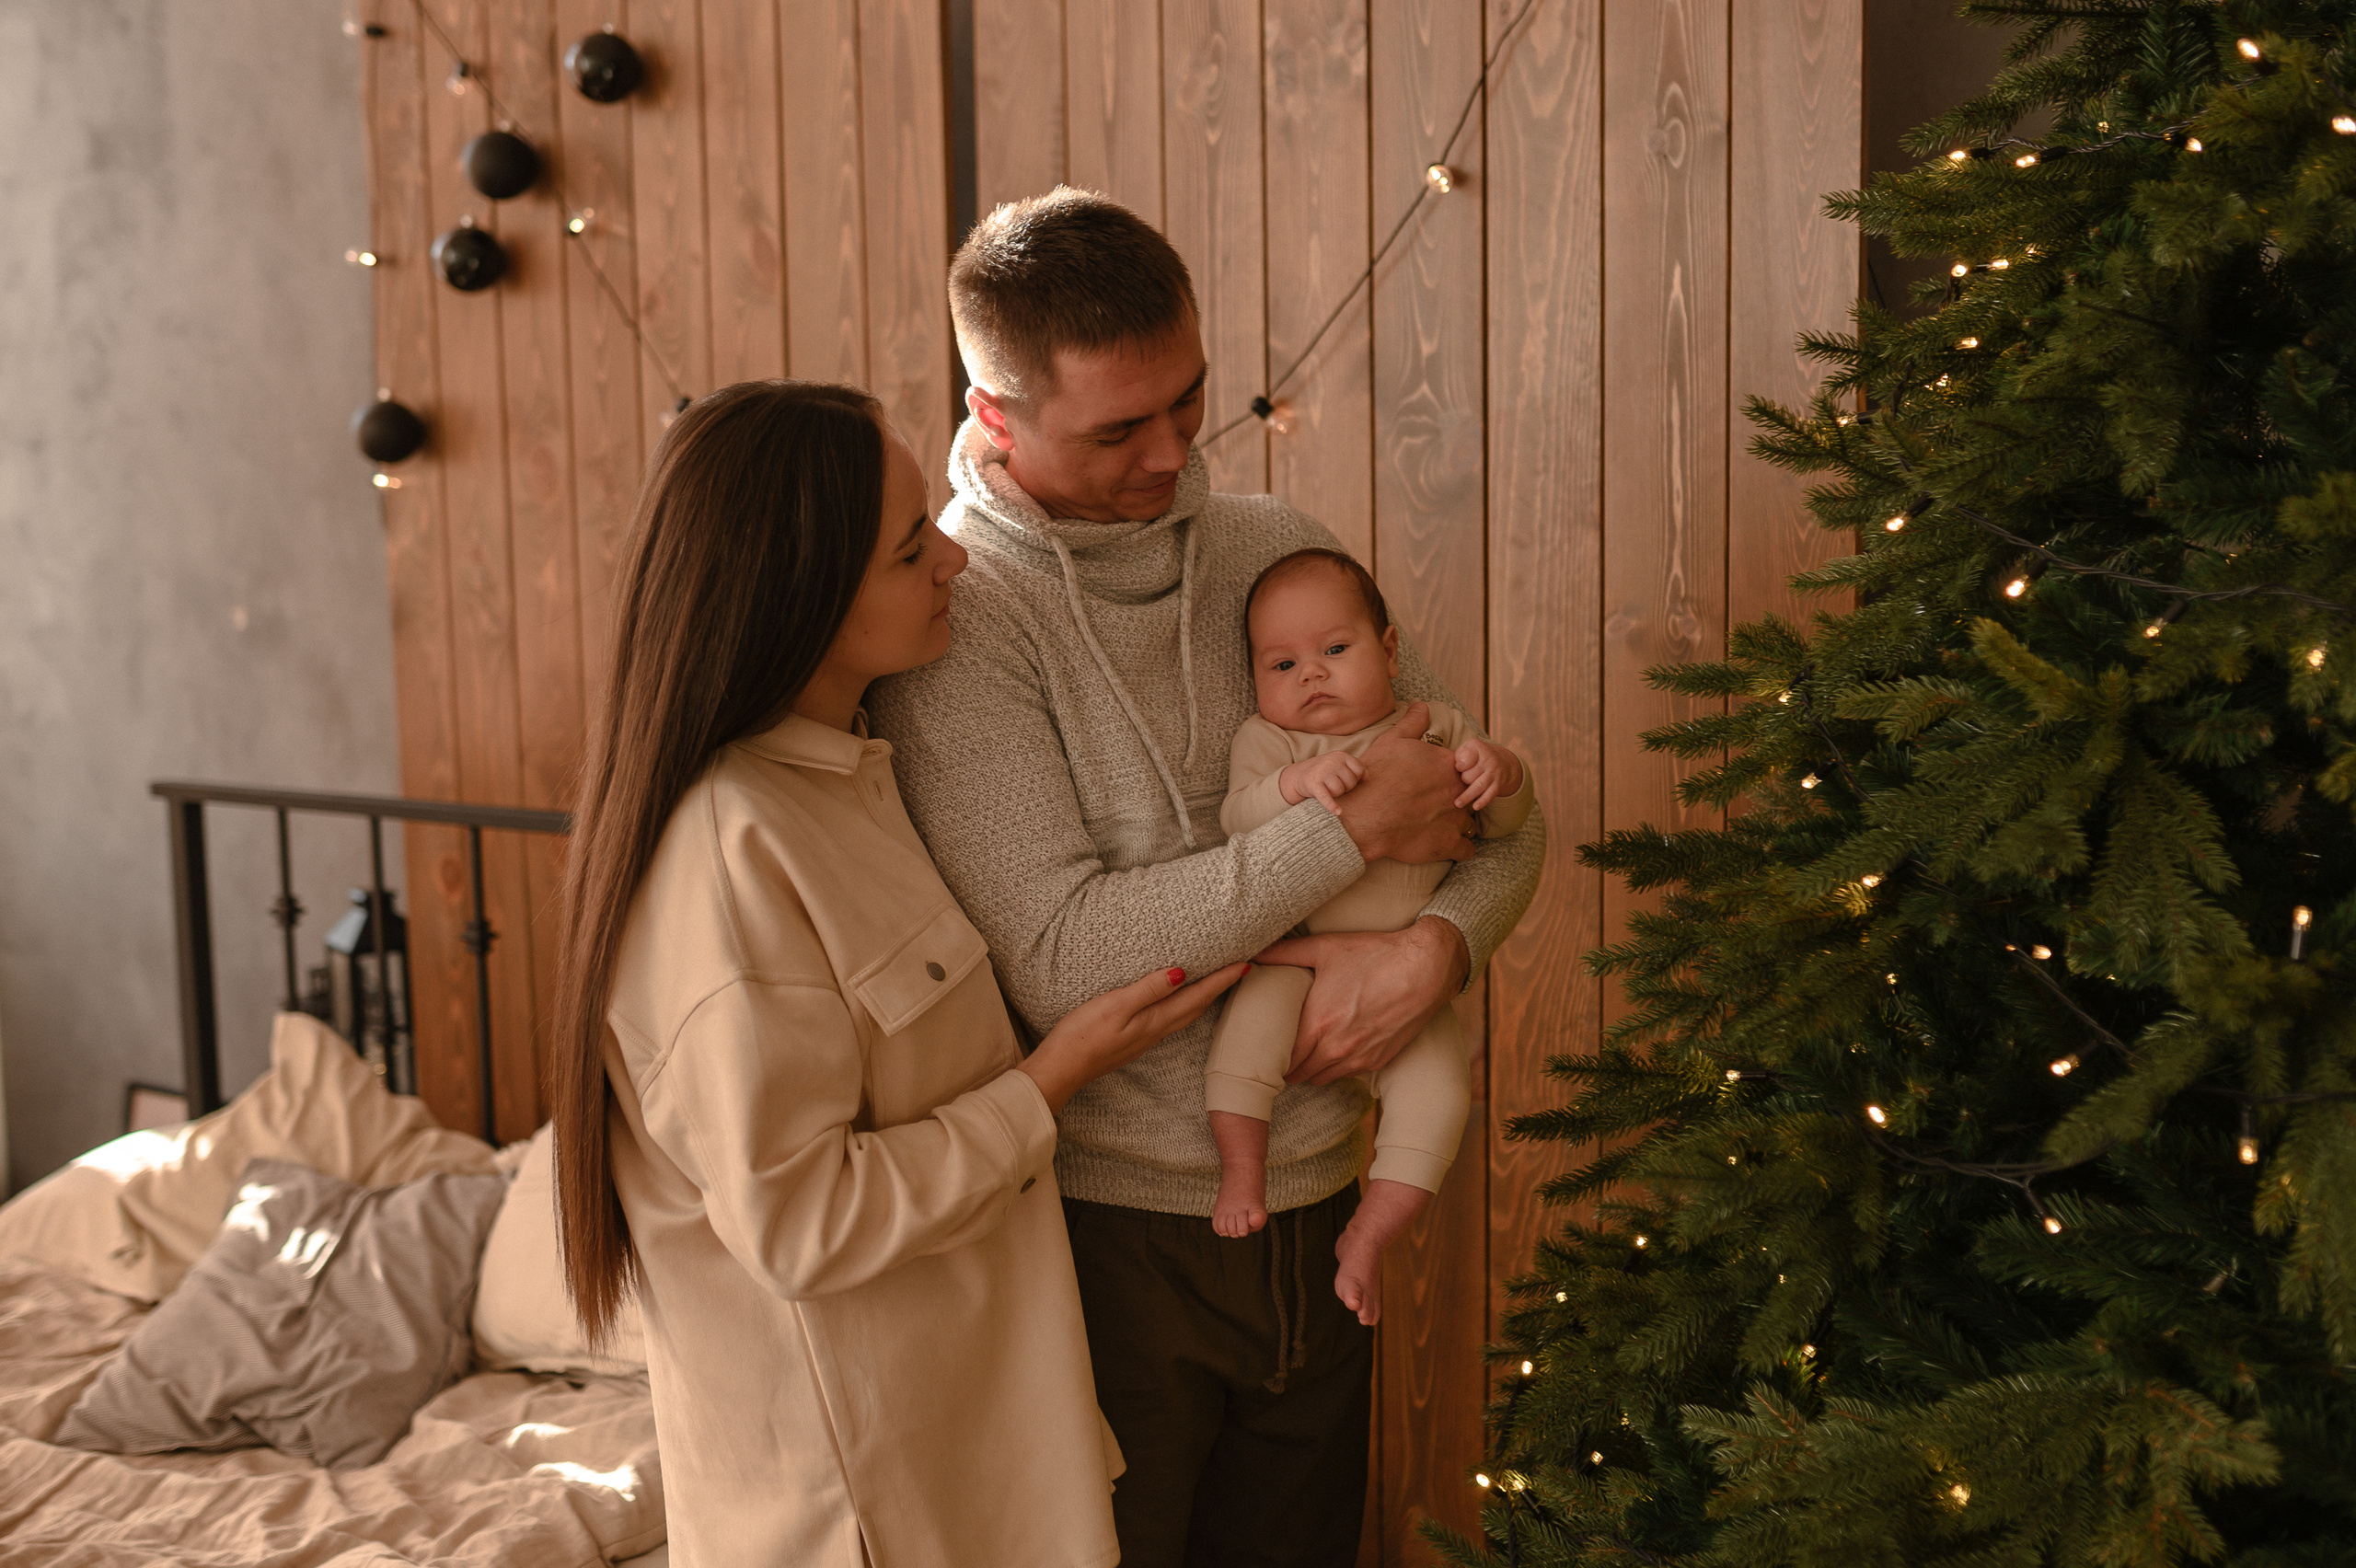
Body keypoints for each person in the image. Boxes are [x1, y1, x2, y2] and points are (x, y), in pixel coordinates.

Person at [867, 189, 1545, 1566]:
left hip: (1328, 1198)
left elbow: (1493, 814)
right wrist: (1346, 841)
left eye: (1191, 402)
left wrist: (1437, 956)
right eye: (1121, 427)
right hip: (1107, 1234)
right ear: (994, 413)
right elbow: (1061, 952)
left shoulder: (1266, 546)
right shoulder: (962, 613)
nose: (1176, 453)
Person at [546, 379, 1247, 1568]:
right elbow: (800, 1223)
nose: (956, 569)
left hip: (969, 1447)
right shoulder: (733, 856)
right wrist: (1048, 1084)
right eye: (914, 549)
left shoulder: (848, 783)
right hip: (865, 1506)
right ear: (799, 595)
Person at [1207, 548, 1534, 1327]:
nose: (1310, 676)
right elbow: (1237, 818)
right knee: (1245, 1045)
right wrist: (1295, 789)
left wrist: (1503, 772)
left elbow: (1509, 826)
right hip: (1295, 958)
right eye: (1282, 663)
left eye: (1335, 651)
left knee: (1442, 1096)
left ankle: (1372, 1231)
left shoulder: (1438, 730)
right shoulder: (1271, 744)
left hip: (1405, 966)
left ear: (1389, 652)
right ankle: (1242, 1171)